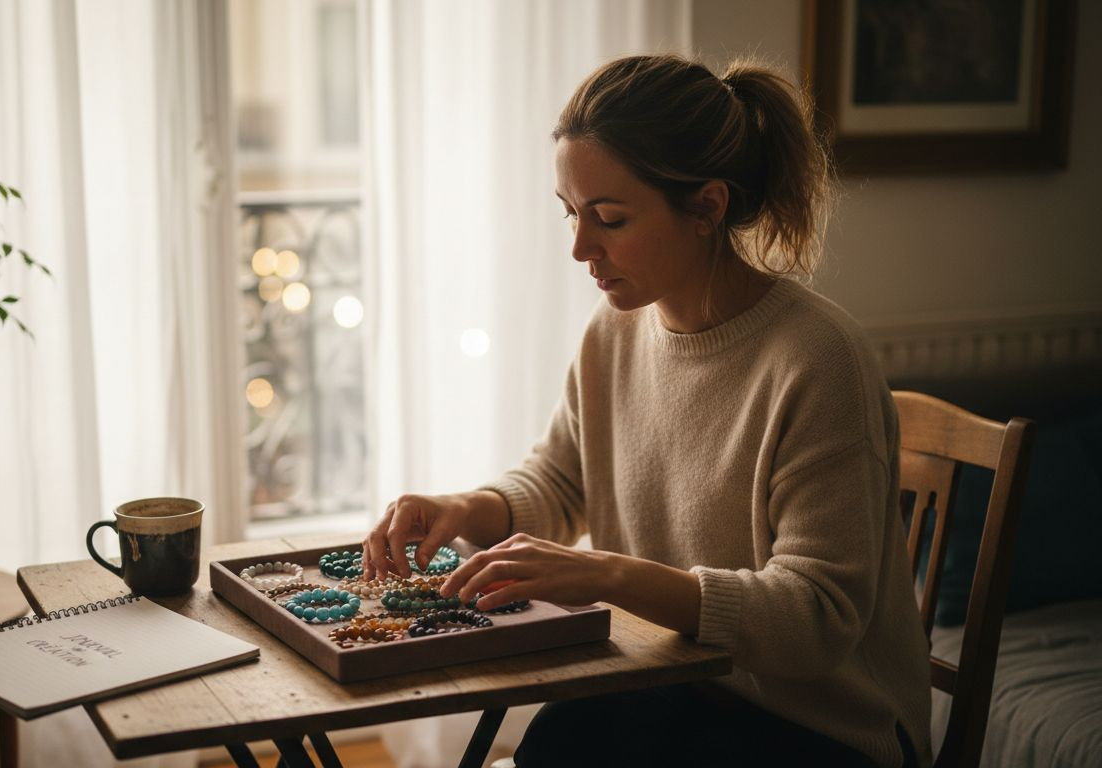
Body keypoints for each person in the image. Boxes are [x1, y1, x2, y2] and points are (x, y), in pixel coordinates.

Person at [361, 54, 931, 767]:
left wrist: (607, 574)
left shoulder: (817, 360)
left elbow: (817, 619)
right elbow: (564, 480)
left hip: (820, 730)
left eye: (609, 218)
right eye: (572, 214)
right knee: (558, 743)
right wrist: (464, 509)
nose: (579, 248)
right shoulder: (614, 332)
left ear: (707, 207)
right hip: (679, 687)